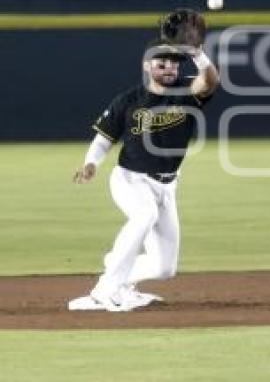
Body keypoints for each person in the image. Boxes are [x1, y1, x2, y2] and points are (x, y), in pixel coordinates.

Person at [68, 40, 219, 311]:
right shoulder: (128, 101)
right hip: (130, 179)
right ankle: (104, 291)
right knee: (144, 215)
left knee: (164, 267)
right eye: (162, 63)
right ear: (147, 65)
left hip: (167, 185)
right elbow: (104, 139)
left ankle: (119, 277)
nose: (169, 68)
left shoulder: (185, 92)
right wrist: (91, 163)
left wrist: (197, 54)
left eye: (174, 63)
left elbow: (209, 81)